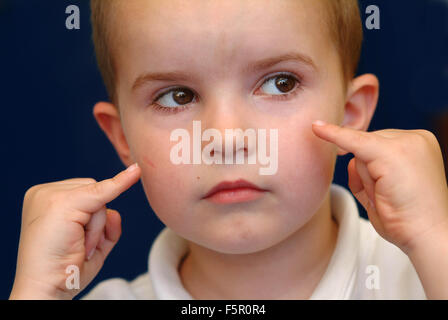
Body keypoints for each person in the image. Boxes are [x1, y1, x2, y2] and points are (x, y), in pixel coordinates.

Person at [9, 0, 448, 300]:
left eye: (280, 83)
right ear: (123, 137)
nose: (226, 138)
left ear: (350, 113)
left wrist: (437, 239)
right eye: (178, 96)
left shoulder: (421, 274)